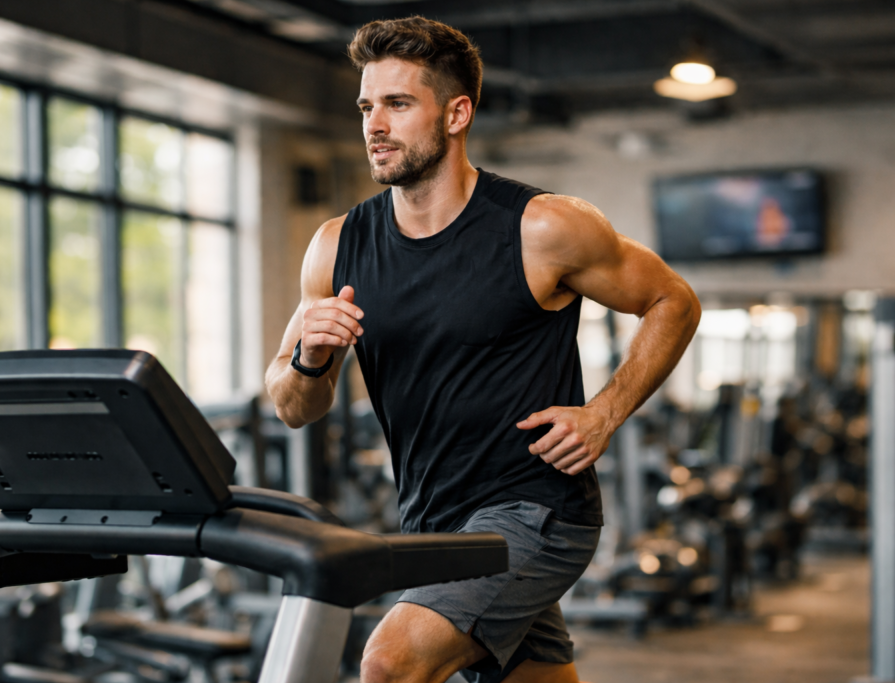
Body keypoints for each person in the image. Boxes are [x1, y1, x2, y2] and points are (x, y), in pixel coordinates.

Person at [265, 16, 701, 683]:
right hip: (432, 520)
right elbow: (294, 406)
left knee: (389, 662)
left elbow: (674, 300)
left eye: (398, 104)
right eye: (366, 106)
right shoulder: (337, 245)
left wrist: (603, 413)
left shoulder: (542, 227)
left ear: (457, 112)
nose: (373, 124)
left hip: (537, 509)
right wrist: (311, 356)